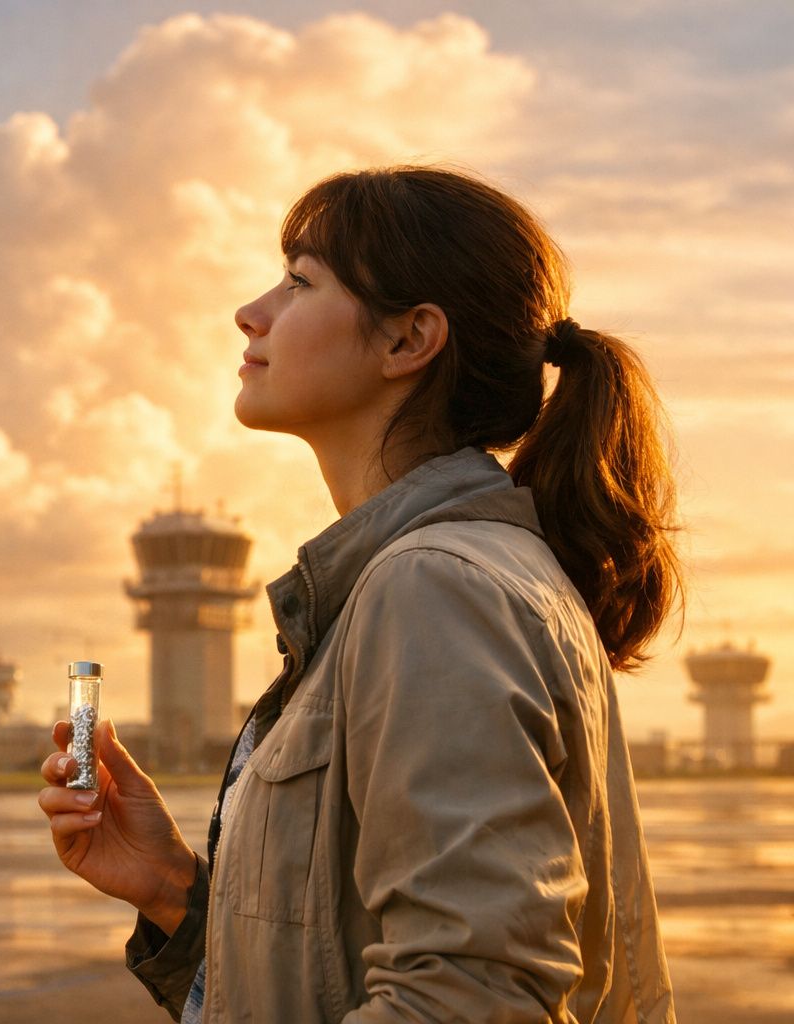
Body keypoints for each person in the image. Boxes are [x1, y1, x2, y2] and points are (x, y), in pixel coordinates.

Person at [38, 165, 679, 1023]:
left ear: (408, 342)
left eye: (300, 282)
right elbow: (341, 964)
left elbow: (468, 999)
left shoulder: (437, 590)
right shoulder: (425, 583)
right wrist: (172, 890)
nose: (251, 311)